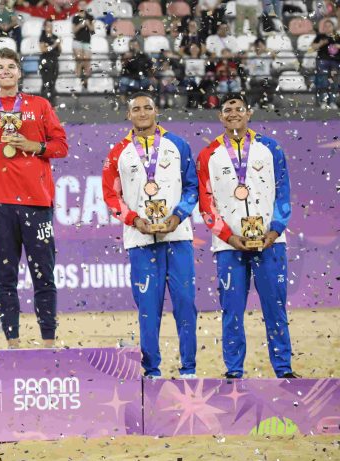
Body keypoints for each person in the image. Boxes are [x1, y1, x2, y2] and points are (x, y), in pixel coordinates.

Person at [0, 48, 68, 349]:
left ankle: (48, 341)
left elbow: (61, 146)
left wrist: (33, 145)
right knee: (5, 278)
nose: (6, 71)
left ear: (20, 72)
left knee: (43, 275)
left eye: (11, 66)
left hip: (36, 203)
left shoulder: (39, 105)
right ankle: (13, 342)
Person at [196, 93, 298, 379]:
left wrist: (275, 230)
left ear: (248, 113)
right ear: (220, 117)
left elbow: (284, 194)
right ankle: (234, 370)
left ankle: (283, 369)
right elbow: (206, 205)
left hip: (270, 243)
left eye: (238, 109)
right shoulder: (208, 155)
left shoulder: (270, 148)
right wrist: (228, 236)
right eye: (227, 110)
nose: (233, 114)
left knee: (275, 309)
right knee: (231, 312)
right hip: (229, 247)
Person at [102, 92, 199, 379]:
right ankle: (151, 370)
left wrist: (178, 216)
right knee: (148, 308)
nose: (142, 113)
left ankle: (189, 370)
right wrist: (134, 221)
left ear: (157, 111)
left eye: (147, 107)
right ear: (128, 115)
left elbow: (192, 187)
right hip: (140, 241)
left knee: (185, 304)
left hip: (178, 237)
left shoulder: (178, 145)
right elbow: (111, 196)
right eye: (136, 109)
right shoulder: (117, 152)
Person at [310, 21, 340, 109]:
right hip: (322, 61)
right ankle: (323, 102)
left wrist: (338, 46)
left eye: (329, 26)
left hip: (335, 62)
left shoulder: (337, 36)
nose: (327, 28)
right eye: (325, 26)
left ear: (333, 27)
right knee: (322, 82)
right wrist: (321, 43)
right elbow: (313, 47)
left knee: (334, 82)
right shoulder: (320, 36)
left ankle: (332, 102)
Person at [39, 19, 61, 105]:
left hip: (54, 61)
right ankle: (43, 103)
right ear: (44, 27)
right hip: (45, 62)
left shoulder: (55, 37)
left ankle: (52, 104)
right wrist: (55, 44)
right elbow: (43, 49)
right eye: (48, 25)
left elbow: (59, 51)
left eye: (51, 25)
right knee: (45, 82)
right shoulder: (43, 37)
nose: (50, 27)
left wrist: (58, 44)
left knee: (53, 83)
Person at [71, 3, 94, 77]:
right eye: (81, 5)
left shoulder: (90, 17)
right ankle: (77, 82)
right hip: (77, 41)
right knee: (79, 61)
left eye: (84, 5)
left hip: (87, 42)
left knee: (87, 63)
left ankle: (87, 83)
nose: (83, 6)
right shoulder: (75, 17)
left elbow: (93, 31)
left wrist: (88, 24)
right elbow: (73, 31)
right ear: (78, 6)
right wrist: (80, 25)